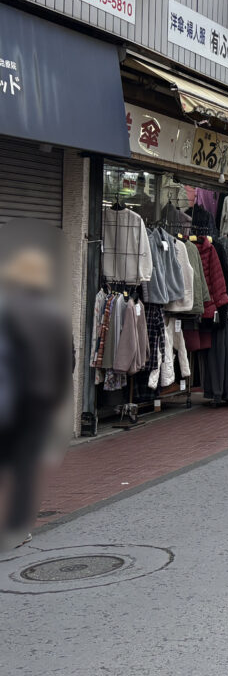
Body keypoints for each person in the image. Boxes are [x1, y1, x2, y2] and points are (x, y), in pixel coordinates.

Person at [0, 220, 72, 550]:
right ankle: (17, 527)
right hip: (39, 400)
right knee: (26, 466)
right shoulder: (54, 315)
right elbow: (65, 362)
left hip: (8, 398)